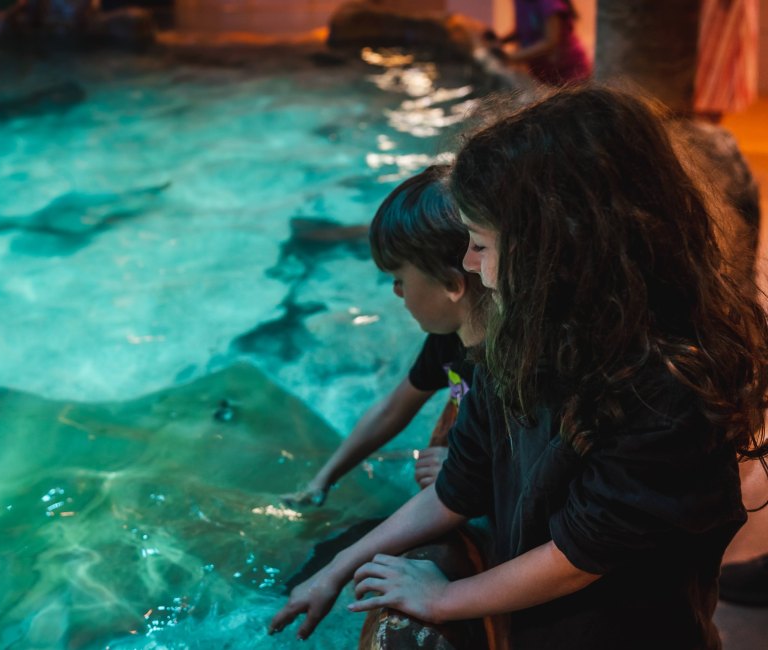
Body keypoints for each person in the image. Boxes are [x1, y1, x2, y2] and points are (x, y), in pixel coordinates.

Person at [269, 84, 768, 649]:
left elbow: (579, 555)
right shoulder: (517, 345)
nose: (467, 263)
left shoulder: (666, 390)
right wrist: (335, 571)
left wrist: (443, 598)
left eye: (480, 243)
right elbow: (456, 490)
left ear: (558, 249)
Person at [280, 165, 488, 508]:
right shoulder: (451, 335)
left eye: (400, 280)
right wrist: (324, 479)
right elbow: (393, 409)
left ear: (452, 284)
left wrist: (475, 477)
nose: (395, 292)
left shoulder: (510, 371)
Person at [485, 0, 591, 86]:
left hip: (570, 73)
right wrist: (500, 42)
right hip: (544, 76)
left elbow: (550, 43)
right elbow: (523, 29)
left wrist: (510, 58)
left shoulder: (549, 3)